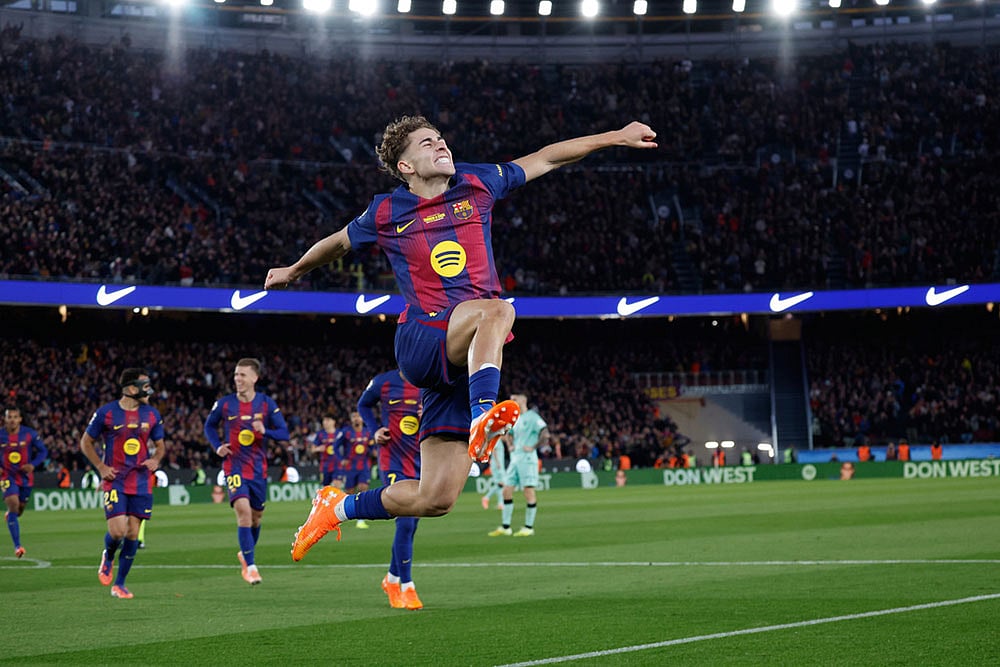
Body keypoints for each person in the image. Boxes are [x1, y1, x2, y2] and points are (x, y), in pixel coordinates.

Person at [265, 115, 657, 560]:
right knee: (500, 308)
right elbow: (337, 243)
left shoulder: (478, 181)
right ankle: (483, 413)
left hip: (459, 360)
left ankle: (337, 506)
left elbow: (548, 157)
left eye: (441, 138)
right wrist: (294, 270)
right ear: (406, 166)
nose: (441, 145)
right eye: (427, 143)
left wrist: (617, 137)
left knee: (436, 498)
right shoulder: (387, 211)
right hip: (422, 339)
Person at [79, 369, 165, 599]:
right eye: (144, 386)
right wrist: (101, 467)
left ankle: (120, 584)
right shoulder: (106, 413)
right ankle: (108, 555)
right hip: (115, 479)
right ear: (131, 388)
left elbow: (161, 445)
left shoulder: (153, 415)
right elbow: (86, 442)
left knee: (133, 534)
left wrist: (156, 459)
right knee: (117, 531)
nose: (149, 390)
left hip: (141, 481)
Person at [204, 358, 290, 585]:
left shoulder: (266, 404)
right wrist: (218, 446)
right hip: (234, 467)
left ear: (255, 378)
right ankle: (251, 567)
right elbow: (209, 426)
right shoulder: (224, 404)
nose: (237, 379)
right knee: (243, 512)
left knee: (256, 518)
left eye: (242, 375)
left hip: (258, 469)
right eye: (235, 375)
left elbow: (284, 434)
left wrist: (266, 431)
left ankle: (245, 553)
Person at [358, 369, 424, 610]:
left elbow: (448, 411)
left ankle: (392, 579)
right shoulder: (383, 382)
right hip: (393, 460)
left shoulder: (432, 382)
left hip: (423, 460)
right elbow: (363, 405)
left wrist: (430, 413)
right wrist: (373, 429)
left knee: (412, 523)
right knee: (405, 521)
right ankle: (406, 585)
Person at [489, 393, 548, 538]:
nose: (512, 402)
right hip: (515, 458)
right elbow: (507, 432)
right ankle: (506, 527)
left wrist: (533, 447)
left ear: (523, 400)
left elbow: (545, 434)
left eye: (515, 399)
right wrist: (509, 445)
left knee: (528, 492)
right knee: (506, 491)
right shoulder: (516, 418)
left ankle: (529, 527)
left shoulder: (533, 417)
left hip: (528, 459)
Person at [1, 405, 48, 558]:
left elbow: (43, 451)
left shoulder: (29, 434)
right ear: (5, 419)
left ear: (20, 419)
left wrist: (33, 465)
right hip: (7, 476)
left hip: (25, 478)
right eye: (9, 417)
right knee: (14, 504)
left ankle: (11, 515)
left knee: (18, 510)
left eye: (15, 417)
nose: (12, 420)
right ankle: (18, 546)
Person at [336, 411, 374, 529]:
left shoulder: (368, 431)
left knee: (363, 489)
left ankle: (360, 520)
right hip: (350, 467)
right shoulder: (345, 432)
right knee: (349, 492)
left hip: (364, 466)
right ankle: (343, 515)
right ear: (351, 419)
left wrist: (374, 452)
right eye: (354, 417)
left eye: (358, 416)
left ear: (362, 418)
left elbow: (373, 446)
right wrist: (341, 459)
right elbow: (335, 446)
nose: (356, 419)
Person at [311, 414, 341, 487]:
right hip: (325, 466)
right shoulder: (320, 434)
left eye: (327, 420)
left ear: (333, 422)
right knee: (325, 488)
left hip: (337, 465)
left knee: (336, 486)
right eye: (324, 420)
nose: (325, 422)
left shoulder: (340, 434)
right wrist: (318, 449)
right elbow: (312, 449)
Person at [480, 438, 508, 511]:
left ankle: (500, 504)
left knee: (500, 485)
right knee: (502, 483)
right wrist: (498, 463)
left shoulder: (499, 441)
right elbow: (494, 450)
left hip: (499, 465)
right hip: (497, 465)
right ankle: (486, 497)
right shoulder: (497, 439)